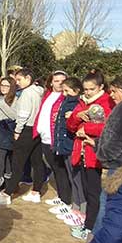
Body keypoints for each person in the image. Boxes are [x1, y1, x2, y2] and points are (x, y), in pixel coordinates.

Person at [90, 76, 122, 243]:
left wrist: (103, 154)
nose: (111, 95)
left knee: (109, 205)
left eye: (114, 91)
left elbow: (119, 138)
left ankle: (99, 241)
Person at [66, 71, 115, 241]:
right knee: (87, 190)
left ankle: (91, 227)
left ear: (101, 87)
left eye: (91, 89)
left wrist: (85, 128)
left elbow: (108, 126)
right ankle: (88, 222)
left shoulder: (107, 102)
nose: (87, 92)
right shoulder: (82, 102)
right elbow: (71, 126)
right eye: (85, 89)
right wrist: (76, 116)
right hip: (81, 153)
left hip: (95, 153)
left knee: (94, 193)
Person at [0, 68, 44, 205]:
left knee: (17, 163)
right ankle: (36, 191)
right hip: (36, 129)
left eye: (19, 80)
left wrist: (17, 131)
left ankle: (7, 194)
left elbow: (23, 115)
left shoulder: (27, 93)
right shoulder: (39, 91)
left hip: (26, 129)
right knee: (37, 161)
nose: (18, 83)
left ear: (28, 78)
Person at [33, 71, 72, 208]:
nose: (60, 83)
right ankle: (62, 196)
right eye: (56, 81)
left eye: (63, 80)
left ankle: (66, 200)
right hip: (45, 137)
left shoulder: (66, 98)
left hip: (56, 139)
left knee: (60, 169)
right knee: (55, 168)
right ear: (51, 82)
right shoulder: (47, 95)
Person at [50, 77, 86, 227]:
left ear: (76, 91)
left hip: (72, 146)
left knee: (77, 178)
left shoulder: (77, 104)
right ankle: (75, 206)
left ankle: (81, 209)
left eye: (67, 90)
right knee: (72, 176)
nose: (64, 93)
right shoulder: (66, 102)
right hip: (64, 145)